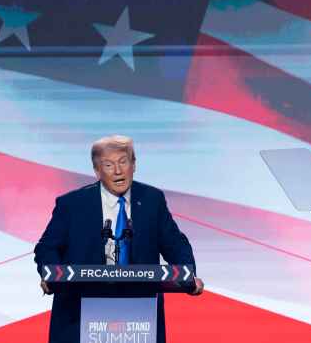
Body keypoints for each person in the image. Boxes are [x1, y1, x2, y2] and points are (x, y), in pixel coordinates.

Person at [34, 135, 204, 343]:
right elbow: (47, 248)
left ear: (134, 165)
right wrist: (52, 276)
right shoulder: (72, 205)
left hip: (140, 320)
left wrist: (188, 276)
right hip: (80, 318)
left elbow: (175, 244)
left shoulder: (152, 200)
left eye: (123, 162)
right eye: (108, 164)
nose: (117, 171)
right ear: (97, 171)